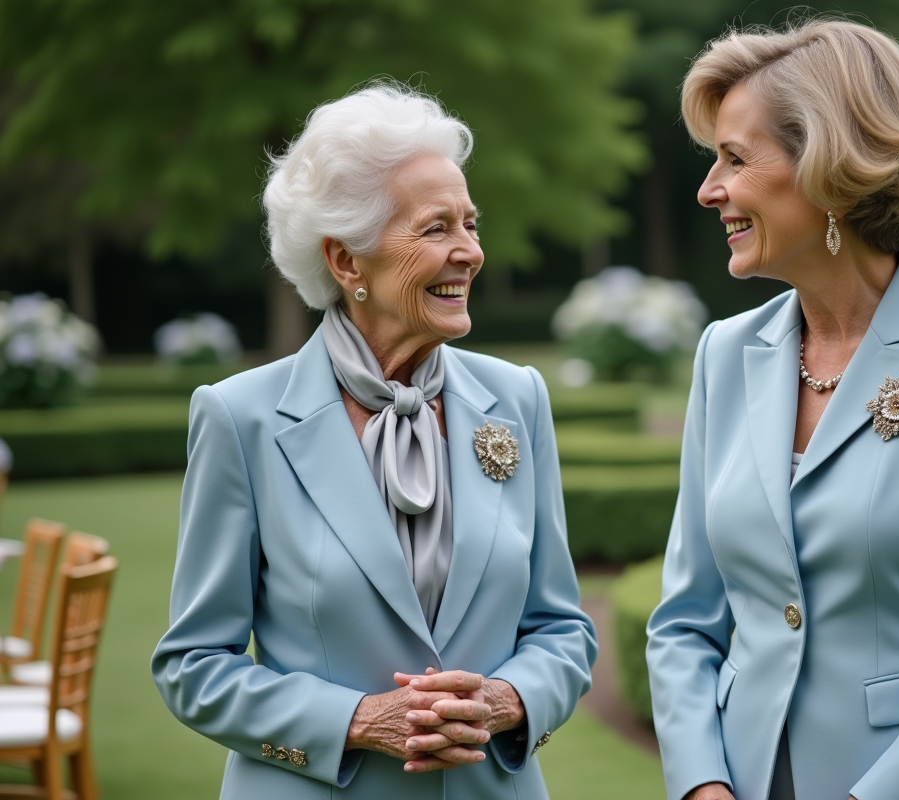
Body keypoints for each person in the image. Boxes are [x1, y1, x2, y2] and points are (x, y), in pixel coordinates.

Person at [646, 20, 899, 800]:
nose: (709, 189)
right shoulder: (724, 356)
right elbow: (685, 624)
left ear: (829, 165)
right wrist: (703, 785)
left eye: (735, 158)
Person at [151, 82, 596, 800]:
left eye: (471, 224)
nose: (470, 252)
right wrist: (355, 720)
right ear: (347, 262)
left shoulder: (516, 399)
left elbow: (563, 629)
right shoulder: (241, 418)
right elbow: (194, 664)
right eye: (434, 229)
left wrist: (508, 701)